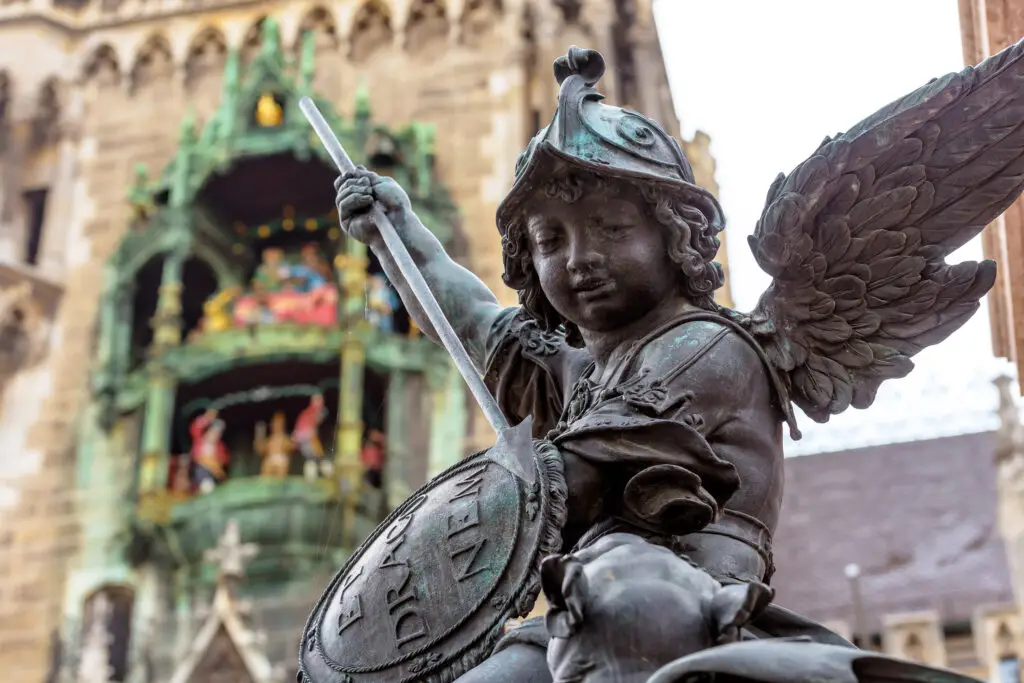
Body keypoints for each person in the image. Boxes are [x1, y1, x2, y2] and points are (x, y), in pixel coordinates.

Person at [334, 47, 846, 682]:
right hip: (591, 608)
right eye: (551, 240)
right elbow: (465, 316)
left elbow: (568, 481)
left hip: (689, 610)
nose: (579, 258)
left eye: (610, 229)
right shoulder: (581, 374)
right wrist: (397, 231)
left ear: (674, 235)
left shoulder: (708, 348)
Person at [189, 409, 231, 494]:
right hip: (201, 471)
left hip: (214, 473)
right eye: (212, 432)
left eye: (217, 434)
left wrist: (218, 466)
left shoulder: (220, 446)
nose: (215, 436)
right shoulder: (199, 440)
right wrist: (207, 417)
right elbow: (195, 427)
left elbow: (225, 459)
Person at [293, 394, 332, 480]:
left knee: (314, 460)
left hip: (306, 440)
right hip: (304, 439)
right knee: (314, 460)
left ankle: (326, 474)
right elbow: (300, 436)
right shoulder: (308, 414)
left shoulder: (313, 413)